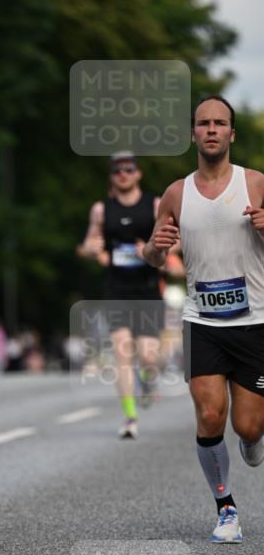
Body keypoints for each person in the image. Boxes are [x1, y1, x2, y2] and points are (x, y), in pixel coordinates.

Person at [144, 95, 264, 543]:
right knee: (210, 415)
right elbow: (153, 255)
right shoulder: (177, 193)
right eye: (203, 123)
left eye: (220, 123)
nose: (211, 130)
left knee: (248, 426)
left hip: (254, 322)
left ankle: (254, 439)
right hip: (202, 321)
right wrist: (156, 245)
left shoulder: (256, 184)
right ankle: (226, 508)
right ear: (193, 133)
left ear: (232, 133)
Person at [78, 152, 182, 438]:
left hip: (148, 288)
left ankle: (149, 379)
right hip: (116, 289)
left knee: (149, 356)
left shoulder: (155, 204)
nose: (123, 174)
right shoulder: (101, 210)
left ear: (138, 174)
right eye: (117, 171)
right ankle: (130, 416)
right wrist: (90, 248)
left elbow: (176, 243)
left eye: (128, 169)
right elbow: (89, 244)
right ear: (112, 177)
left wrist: (150, 249)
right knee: (123, 353)